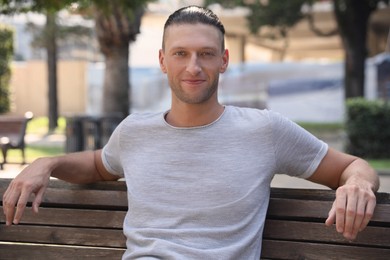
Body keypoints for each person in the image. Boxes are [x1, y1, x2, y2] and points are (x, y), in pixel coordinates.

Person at [2, 5, 379, 259]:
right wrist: (47, 162)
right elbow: (97, 165)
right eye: (180, 53)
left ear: (224, 60)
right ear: (163, 61)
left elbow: (353, 166)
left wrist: (358, 183)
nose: (193, 66)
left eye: (206, 53)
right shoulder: (135, 131)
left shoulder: (265, 130)